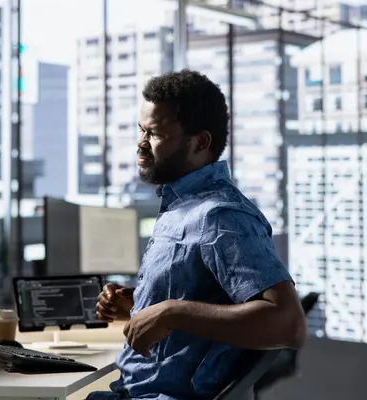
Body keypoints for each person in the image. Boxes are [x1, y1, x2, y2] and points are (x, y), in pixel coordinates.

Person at [90, 69, 306, 400]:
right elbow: (202, 302)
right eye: (141, 130)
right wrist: (140, 305)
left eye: (155, 134)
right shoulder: (180, 207)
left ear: (200, 142)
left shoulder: (221, 215)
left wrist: (171, 312)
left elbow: (288, 323)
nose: (141, 142)